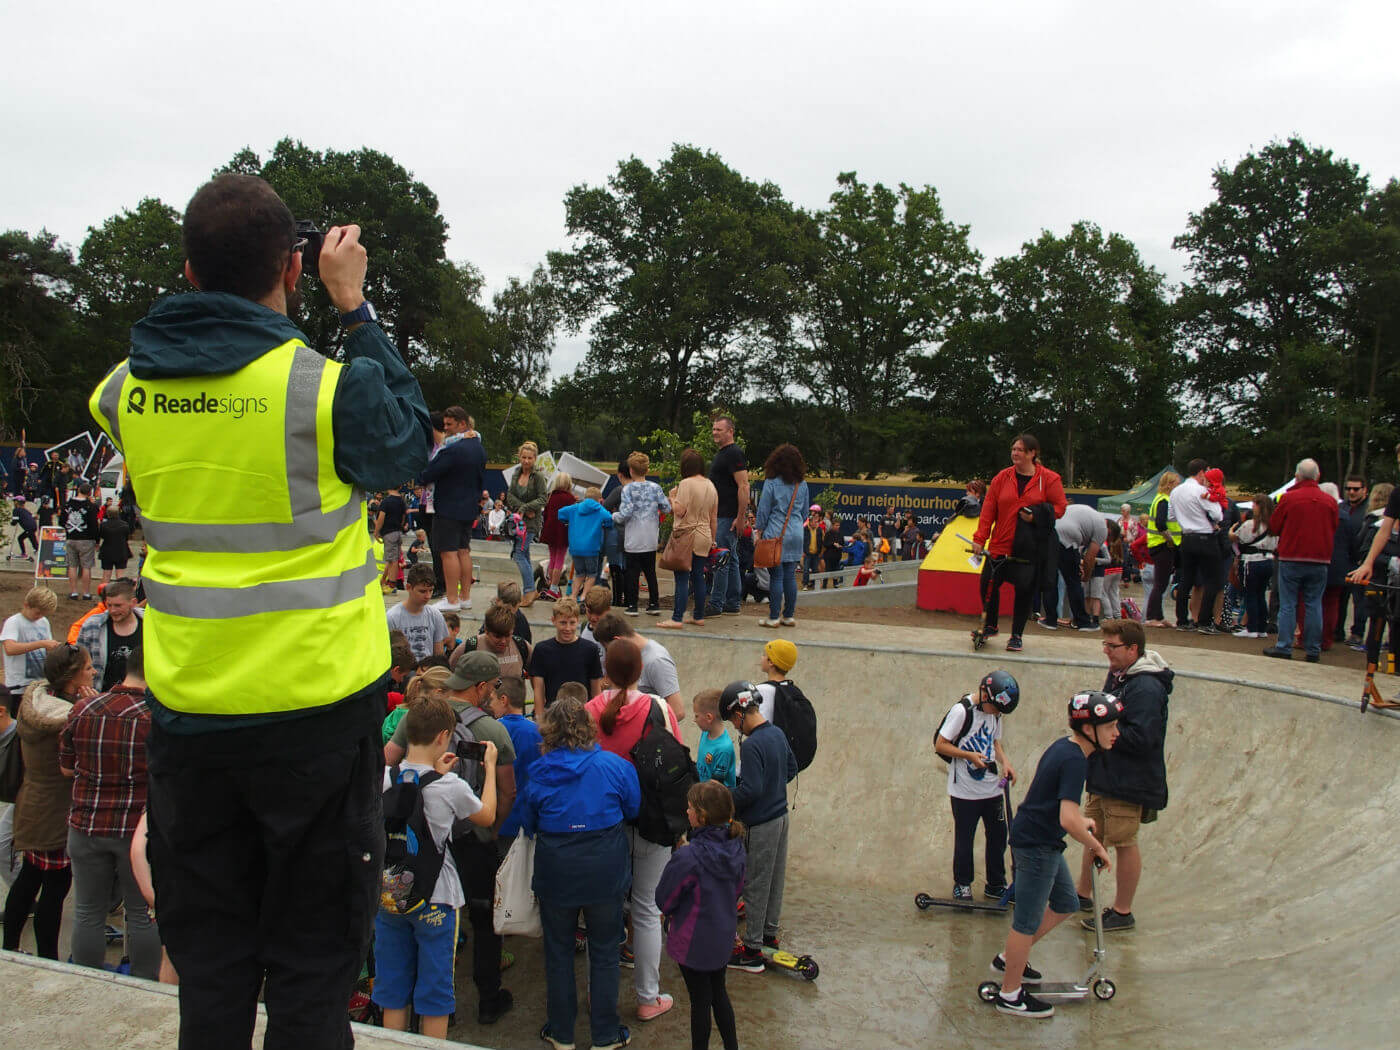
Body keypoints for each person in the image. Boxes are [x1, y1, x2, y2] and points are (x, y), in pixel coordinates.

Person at [86, 173, 431, 1049]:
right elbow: (404, 446)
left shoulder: (124, 392)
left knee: (211, 973)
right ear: (293, 264)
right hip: (316, 723)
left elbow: (189, 397)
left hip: (193, 722)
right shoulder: (323, 387)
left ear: (189, 271)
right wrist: (352, 306)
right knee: (314, 976)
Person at [389, 651, 518, 1024]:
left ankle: (418, 1009)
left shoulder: (422, 715)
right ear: (481, 687)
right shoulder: (493, 730)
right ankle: (488, 999)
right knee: (483, 920)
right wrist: (489, 832)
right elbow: (508, 792)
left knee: (420, 916)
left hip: (421, 839)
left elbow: (389, 759)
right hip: (474, 840)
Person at [373, 694, 498, 1040]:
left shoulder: (382, 777)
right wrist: (488, 770)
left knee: (393, 988)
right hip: (437, 898)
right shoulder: (450, 787)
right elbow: (485, 815)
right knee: (434, 994)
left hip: (389, 894)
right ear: (444, 736)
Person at [517, 695, 639, 1050]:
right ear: (589, 727)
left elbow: (528, 822)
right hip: (605, 870)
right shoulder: (615, 766)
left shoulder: (538, 771)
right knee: (604, 952)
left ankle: (561, 1031)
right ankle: (604, 1034)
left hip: (557, 870)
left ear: (548, 731)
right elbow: (632, 807)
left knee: (557, 951)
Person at [990, 691, 1119, 1019]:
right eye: (1110, 726)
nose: (1116, 732)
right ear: (1089, 728)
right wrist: (1097, 846)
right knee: (1026, 922)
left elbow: (1062, 809)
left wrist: (1082, 821)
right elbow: (1066, 818)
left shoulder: (1067, 747)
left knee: (1066, 903)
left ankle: (1009, 958)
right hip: (1036, 845)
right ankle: (1009, 993)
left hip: (1043, 839)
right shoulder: (1075, 759)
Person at [586, 642, 685, 1022]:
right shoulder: (658, 708)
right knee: (647, 910)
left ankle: (600, 996)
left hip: (603, 824)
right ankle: (647, 998)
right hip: (651, 823)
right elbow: (675, 760)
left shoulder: (590, 711)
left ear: (605, 671)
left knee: (604, 911)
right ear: (640, 669)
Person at [59, 640, 160, 979]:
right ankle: (145, 984)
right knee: (141, 911)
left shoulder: (83, 708)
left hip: (86, 823)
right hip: (136, 831)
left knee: (87, 911)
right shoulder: (156, 719)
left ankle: (87, 981)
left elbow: (66, 768)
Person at [1073, 619, 1171, 933]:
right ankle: (1082, 895)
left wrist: (1101, 732)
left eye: (1112, 646)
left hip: (1129, 782)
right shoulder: (1119, 676)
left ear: (1133, 649)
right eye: (1105, 645)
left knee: (1124, 842)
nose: (1106, 652)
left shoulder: (1145, 687)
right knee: (1093, 837)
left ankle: (1122, 911)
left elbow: (1144, 738)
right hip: (1106, 775)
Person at [3, 643, 95, 958]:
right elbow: (76, 765)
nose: (93, 672)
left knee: (29, 879)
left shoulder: (35, 702)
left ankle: (10, 949)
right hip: (56, 811)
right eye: (88, 668)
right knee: (54, 892)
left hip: (33, 804)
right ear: (72, 678)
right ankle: (48, 960)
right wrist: (91, 710)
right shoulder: (67, 717)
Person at [656, 780, 746, 1050]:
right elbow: (738, 888)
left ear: (702, 817)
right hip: (722, 937)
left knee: (700, 1002)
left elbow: (664, 898)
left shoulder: (688, 857)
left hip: (692, 943)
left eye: (690, 808)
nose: (686, 811)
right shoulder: (737, 845)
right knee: (719, 993)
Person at [720, 680, 797, 972]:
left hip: (762, 822)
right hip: (781, 817)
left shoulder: (752, 744)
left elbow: (750, 791)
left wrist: (723, 797)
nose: (735, 727)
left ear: (739, 713)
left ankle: (752, 950)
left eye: (733, 721)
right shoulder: (776, 733)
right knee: (775, 879)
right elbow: (790, 769)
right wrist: (773, 789)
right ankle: (769, 935)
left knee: (755, 882)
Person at [972, 434, 1067, 653]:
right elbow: (988, 511)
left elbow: (1060, 508)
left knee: (1024, 591)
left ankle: (1016, 635)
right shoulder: (1001, 478)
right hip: (1000, 543)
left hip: (1029, 546)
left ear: (1032, 453)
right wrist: (980, 538)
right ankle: (990, 625)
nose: (1015, 453)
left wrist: (1036, 516)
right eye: (1013, 449)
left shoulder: (1049, 479)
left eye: (1020, 450)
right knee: (987, 583)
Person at [934, 670, 1019, 902]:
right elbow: (940, 745)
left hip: (992, 789)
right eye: (995, 708)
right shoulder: (961, 711)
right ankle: (962, 883)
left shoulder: (996, 712)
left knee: (998, 836)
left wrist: (1006, 763)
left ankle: (995, 883)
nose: (997, 713)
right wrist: (968, 755)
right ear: (984, 695)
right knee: (965, 838)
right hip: (964, 791)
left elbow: (994, 740)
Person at [1263, 459, 1338, 662]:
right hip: (1320, 559)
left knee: (1288, 604)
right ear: (1318, 476)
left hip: (1292, 556)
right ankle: (1313, 649)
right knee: (1314, 604)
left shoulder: (1289, 499)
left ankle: (1284, 646)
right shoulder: (1329, 501)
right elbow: (1333, 526)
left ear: (1297, 476)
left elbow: (1275, 526)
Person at [420, 406, 486, 612]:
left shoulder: (453, 449)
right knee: (463, 551)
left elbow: (428, 473)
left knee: (447, 553)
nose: (445, 429)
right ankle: (465, 597)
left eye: (449, 425)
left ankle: (452, 599)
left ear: (463, 424)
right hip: (468, 508)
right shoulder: (478, 447)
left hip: (448, 508)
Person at [591, 610, 686, 724]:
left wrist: (640, 729)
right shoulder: (627, 657)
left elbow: (678, 711)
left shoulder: (656, 661)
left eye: (607, 648)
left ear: (617, 640)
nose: (608, 653)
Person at [754, 443, 810, 629]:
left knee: (776, 577)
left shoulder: (771, 483)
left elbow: (763, 511)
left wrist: (759, 530)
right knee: (790, 576)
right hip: (796, 532)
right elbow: (804, 513)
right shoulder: (802, 485)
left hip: (776, 533)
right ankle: (789, 616)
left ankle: (773, 617)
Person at [1167, 458, 1224, 633]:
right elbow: (1217, 515)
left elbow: (1171, 517)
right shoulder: (1202, 491)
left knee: (1187, 579)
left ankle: (1182, 620)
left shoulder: (1176, 491)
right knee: (1213, 580)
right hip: (1205, 537)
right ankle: (1204, 622)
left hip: (1187, 538)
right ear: (1201, 473)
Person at [663, 448, 718, 628]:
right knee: (698, 576)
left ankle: (676, 618)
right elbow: (713, 518)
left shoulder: (686, 483)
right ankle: (698, 616)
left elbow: (680, 510)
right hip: (704, 535)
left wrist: (671, 498)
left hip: (687, 534)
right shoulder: (711, 485)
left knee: (681, 577)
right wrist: (713, 540)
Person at [613, 451, 671, 616]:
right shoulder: (656, 487)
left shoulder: (628, 489)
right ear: (647, 469)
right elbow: (666, 508)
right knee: (650, 571)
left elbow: (625, 513)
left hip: (633, 538)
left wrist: (614, 516)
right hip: (651, 537)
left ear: (631, 470)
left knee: (632, 572)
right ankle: (654, 603)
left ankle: (632, 605)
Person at [488, 675, 541, 850]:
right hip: (531, 817)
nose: (490, 705)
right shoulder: (538, 732)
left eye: (492, 699)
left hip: (502, 819)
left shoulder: (493, 730)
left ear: (504, 700)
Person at [705, 416, 749, 618]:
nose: (715, 432)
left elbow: (744, 485)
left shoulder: (734, 453)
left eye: (719, 429)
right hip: (721, 514)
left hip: (727, 515)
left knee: (720, 559)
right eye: (714, 429)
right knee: (730, 560)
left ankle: (716, 603)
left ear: (730, 431)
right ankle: (732, 602)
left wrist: (740, 516)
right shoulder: (724, 453)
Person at [529, 597, 605, 712]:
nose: (568, 628)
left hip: (582, 716)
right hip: (553, 716)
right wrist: (540, 721)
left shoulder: (590, 649)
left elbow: (596, 691)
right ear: (553, 620)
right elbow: (538, 692)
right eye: (563, 623)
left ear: (578, 621)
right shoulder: (542, 650)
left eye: (572, 623)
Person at [74, 577, 144, 691]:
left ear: (133, 603)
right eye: (109, 605)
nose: (112, 610)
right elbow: (78, 664)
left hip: (142, 700)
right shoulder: (92, 627)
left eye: (118, 605)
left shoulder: (150, 624)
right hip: (103, 698)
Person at [2, 586, 61, 715]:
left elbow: (47, 649)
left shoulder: (43, 622)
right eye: (37, 613)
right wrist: (41, 643)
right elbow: (9, 648)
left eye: (43, 614)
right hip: (18, 687)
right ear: (26, 605)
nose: (40, 617)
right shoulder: (14, 622)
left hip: (39, 685)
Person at [1046, 503, 1106, 630]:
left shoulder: (1088, 515)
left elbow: (1076, 556)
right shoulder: (1102, 529)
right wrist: (1086, 576)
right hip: (1070, 536)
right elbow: (1090, 557)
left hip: (1052, 531)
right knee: (1074, 582)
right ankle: (1083, 622)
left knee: (1051, 580)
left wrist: (1077, 564)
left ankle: (1050, 620)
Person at [505, 441, 549, 608]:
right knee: (525, 555)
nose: (526, 461)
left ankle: (529, 591)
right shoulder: (516, 473)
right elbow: (509, 496)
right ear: (519, 457)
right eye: (523, 457)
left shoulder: (538, 476)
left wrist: (527, 508)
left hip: (530, 523)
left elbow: (543, 498)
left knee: (518, 554)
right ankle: (530, 590)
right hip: (517, 520)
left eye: (530, 458)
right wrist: (522, 508)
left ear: (535, 459)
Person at [1230, 495, 1277, 638]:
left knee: (1250, 594)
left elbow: (1235, 538)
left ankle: (1252, 628)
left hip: (1252, 561)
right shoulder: (1274, 525)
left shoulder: (1251, 524)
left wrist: (1231, 530)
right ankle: (1262, 627)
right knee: (1261, 594)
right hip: (1269, 560)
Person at [556, 483, 612, 599]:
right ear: (599, 500)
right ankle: (584, 596)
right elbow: (609, 519)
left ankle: (573, 596)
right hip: (591, 548)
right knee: (591, 574)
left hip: (575, 548)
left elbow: (560, 513)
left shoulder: (575, 508)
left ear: (585, 497)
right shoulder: (600, 510)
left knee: (580, 574)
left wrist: (567, 521)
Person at [387, 563, 450, 664]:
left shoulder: (435, 614)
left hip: (428, 671)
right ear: (408, 588)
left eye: (431, 591)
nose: (428, 596)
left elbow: (439, 653)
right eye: (422, 591)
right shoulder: (392, 617)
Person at [1142, 471, 1181, 627]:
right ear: (1170, 484)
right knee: (1160, 583)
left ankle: (1158, 616)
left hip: (1157, 544)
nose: (1178, 487)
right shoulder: (1164, 501)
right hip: (1162, 544)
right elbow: (1160, 523)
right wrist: (1170, 539)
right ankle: (1152, 617)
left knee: (1162, 583)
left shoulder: (1160, 499)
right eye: (1177, 484)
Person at [459, 602, 532, 682]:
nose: (503, 641)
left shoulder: (522, 646)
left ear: (513, 630)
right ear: (486, 631)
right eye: (498, 636)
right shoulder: (470, 647)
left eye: (507, 635)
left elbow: (537, 673)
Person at [541, 471, 577, 600]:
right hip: (562, 531)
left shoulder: (550, 496)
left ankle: (551, 585)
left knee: (552, 559)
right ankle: (554, 589)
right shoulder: (570, 498)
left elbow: (544, 514)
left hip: (550, 530)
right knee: (560, 560)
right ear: (568, 483)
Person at [63, 480, 101, 601]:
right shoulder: (91, 506)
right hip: (86, 539)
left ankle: (73, 592)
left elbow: (61, 521)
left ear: (78, 490)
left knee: (72, 566)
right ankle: (86, 593)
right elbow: (94, 525)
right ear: (89, 493)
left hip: (71, 537)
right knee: (86, 567)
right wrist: (97, 540)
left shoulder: (68, 504)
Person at [692, 688, 736, 789]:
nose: (694, 720)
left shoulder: (724, 748)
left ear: (709, 717)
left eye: (697, 716)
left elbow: (716, 784)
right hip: (704, 788)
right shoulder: (705, 733)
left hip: (716, 798)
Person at [372, 481, 408, 594]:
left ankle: (391, 584)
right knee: (395, 559)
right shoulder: (401, 501)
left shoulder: (386, 501)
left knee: (391, 560)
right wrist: (400, 526)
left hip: (389, 533)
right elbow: (403, 517)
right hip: (397, 532)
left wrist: (376, 531)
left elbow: (381, 518)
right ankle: (391, 583)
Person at [96, 494, 133, 590]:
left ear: (107, 514)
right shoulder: (125, 525)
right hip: (121, 550)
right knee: (120, 574)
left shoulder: (103, 525)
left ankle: (103, 592)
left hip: (107, 550)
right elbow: (127, 537)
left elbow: (101, 536)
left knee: (106, 574)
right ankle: (120, 592)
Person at [801, 505, 825, 589]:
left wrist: (821, 552)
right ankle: (805, 584)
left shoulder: (819, 530)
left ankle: (815, 584)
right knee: (806, 570)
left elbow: (822, 542)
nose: (815, 522)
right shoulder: (805, 529)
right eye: (813, 521)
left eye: (816, 521)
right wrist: (803, 551)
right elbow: (802, 540)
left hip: (816, 553)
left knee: (815, 570)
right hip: (807, 553)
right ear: (810, 522)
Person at [10, 495, 38, 560]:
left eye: (15, 501)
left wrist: (12, 523)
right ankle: (37, 550)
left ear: (17, 502)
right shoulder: (24, 510)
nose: (14, 502)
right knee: (32, 539)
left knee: (21, 538)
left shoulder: (16, 510)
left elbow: (15, 521)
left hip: (29, 527)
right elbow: (31, 515)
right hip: (33, 526)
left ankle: (24, 553)